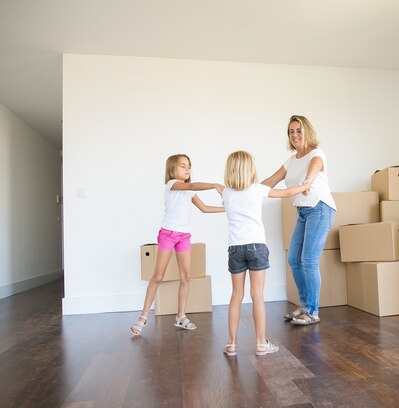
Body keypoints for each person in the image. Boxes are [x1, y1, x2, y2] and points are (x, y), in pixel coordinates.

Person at [220, 150, 310, 356]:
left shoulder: (226, 193)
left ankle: (231, 344)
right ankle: (261, 343)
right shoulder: (258, 189)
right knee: (257, 294)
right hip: (256, 247)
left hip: (235, 248)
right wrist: (305, 186)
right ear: (250, 169)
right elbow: (286, 193)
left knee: (236, 295)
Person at [130, 154, 224, 336]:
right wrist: (214, 185)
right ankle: (142, 317)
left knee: (186, 276)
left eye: (189, 166)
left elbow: (204, 208)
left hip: (183, 237)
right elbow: (191, 185)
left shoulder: (189, 191)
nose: (188, 169)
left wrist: (228, 208)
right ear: (172, 169)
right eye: (183, 166)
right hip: (168, 234)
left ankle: (181, 316)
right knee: (158, 275)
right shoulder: (172, 184)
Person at [262, 115, 336, 326]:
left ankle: (312, 311)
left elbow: (315, 166)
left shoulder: (316, 153)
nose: (294, 135)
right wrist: (250, 190)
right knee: (294, 259)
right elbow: (272, 180)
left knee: (309, 261)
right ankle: (304, 306)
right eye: (291, 131)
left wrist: (308, 181)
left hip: (320, 208)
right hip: (303, 212)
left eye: (298, 130)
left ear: (307, 132)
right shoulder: (291, 160)